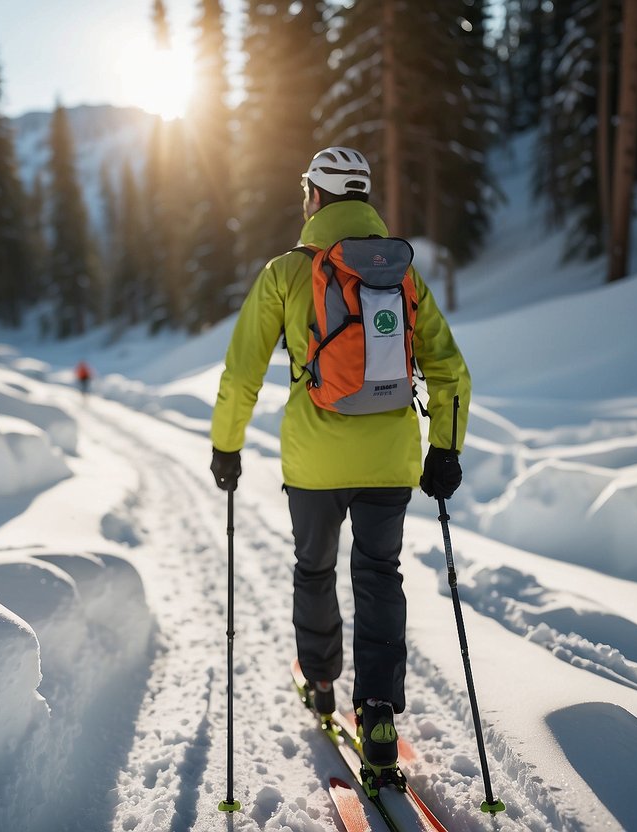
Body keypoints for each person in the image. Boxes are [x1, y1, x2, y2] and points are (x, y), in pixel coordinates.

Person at [208, 147, 470, 778]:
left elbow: (243, 369)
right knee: (380, 575)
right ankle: (378, 711)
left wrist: (227, 444)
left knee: (314, 570)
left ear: (315, 198)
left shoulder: (286, 272)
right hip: (389, 460)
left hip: (313, 462)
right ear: (363, 199)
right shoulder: (402, 272)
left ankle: (323, 685)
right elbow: (448, 369)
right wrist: (445, 449)